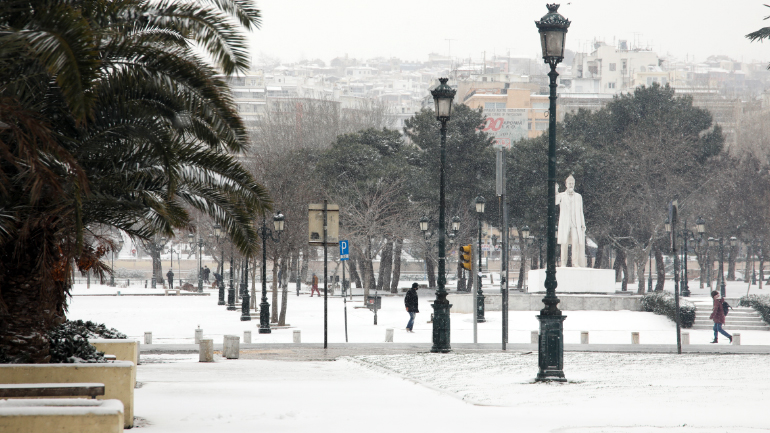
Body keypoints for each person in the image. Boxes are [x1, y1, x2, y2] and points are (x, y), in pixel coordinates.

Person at [555, 174, 587, 267]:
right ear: (566, 184)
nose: (571, 185)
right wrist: (556, 191)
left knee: (575, 241)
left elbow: (581, 211)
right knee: (564, 243)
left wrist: (582, 223)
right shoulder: (561, 195)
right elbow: (555, 202)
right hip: (565, 223)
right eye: (569, 183)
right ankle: (563, 263)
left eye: (572, 183)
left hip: (575, 223)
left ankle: (575, 262)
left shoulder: (578, 196)